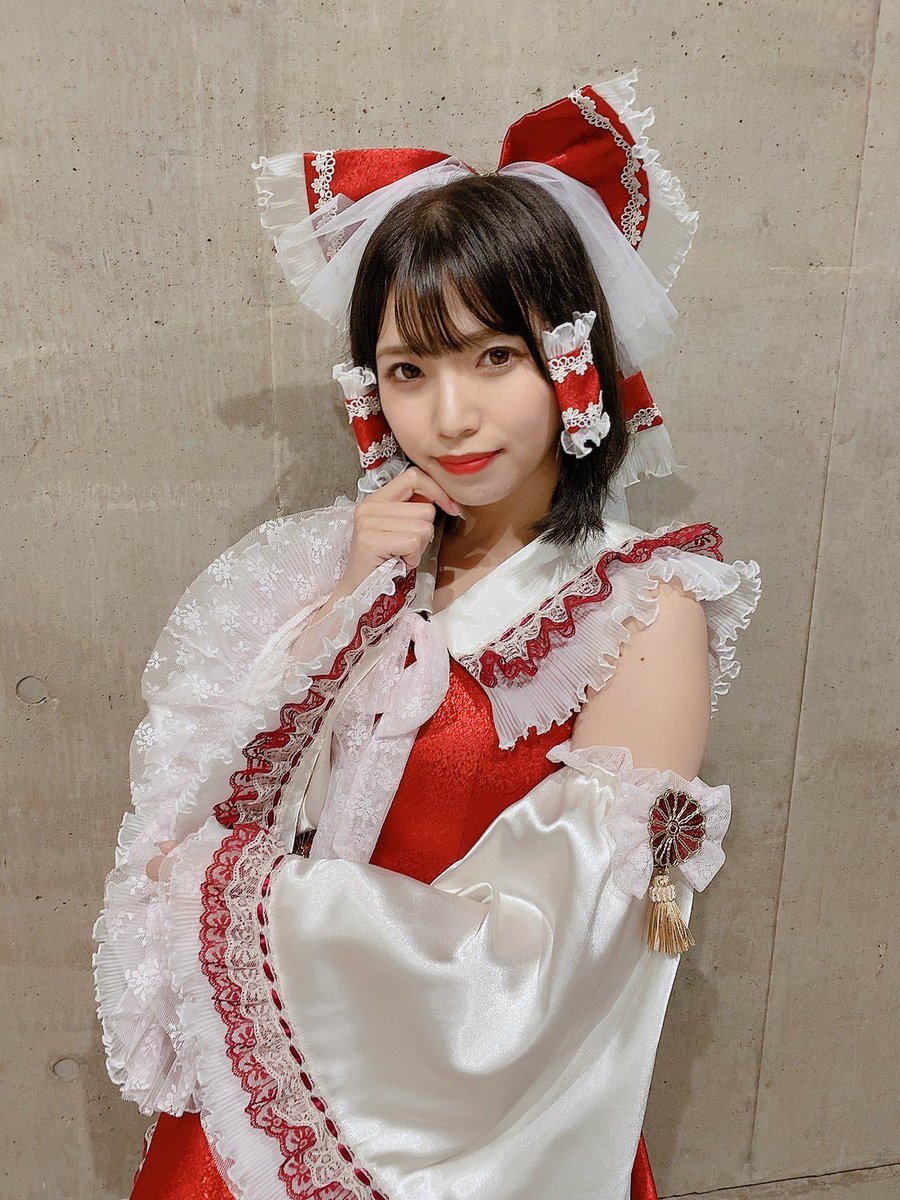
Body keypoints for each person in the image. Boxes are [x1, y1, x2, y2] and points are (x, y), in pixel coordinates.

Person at [93, 70, 762, 1200]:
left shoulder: (642, 606)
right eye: (410, 370)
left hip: (458, 1134)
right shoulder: (342, 562)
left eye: (494, 357)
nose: (449, 417)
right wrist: (355, 595)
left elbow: (551, 964)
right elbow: (230, 801)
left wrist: (239, 900)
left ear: (571, 364)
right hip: (274, 1086)